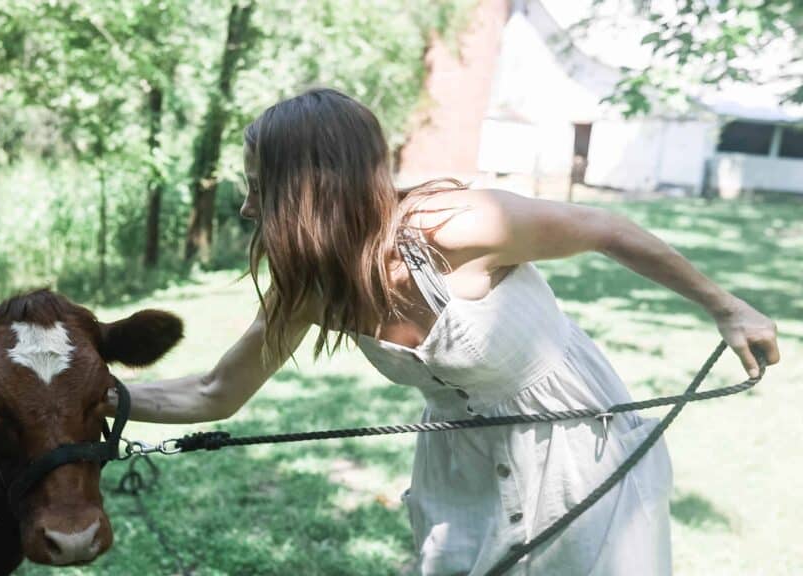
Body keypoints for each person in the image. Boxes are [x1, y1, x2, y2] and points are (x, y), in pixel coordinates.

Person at [128, 88, 780, 575]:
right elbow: (215, 392)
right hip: (462, 471)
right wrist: (106, 396)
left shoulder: (456, 227)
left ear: (309, 189)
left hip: (579, 444)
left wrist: (725, 307)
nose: (246, 208)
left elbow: (606, 228)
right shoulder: (313, 291)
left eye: (259, 188)